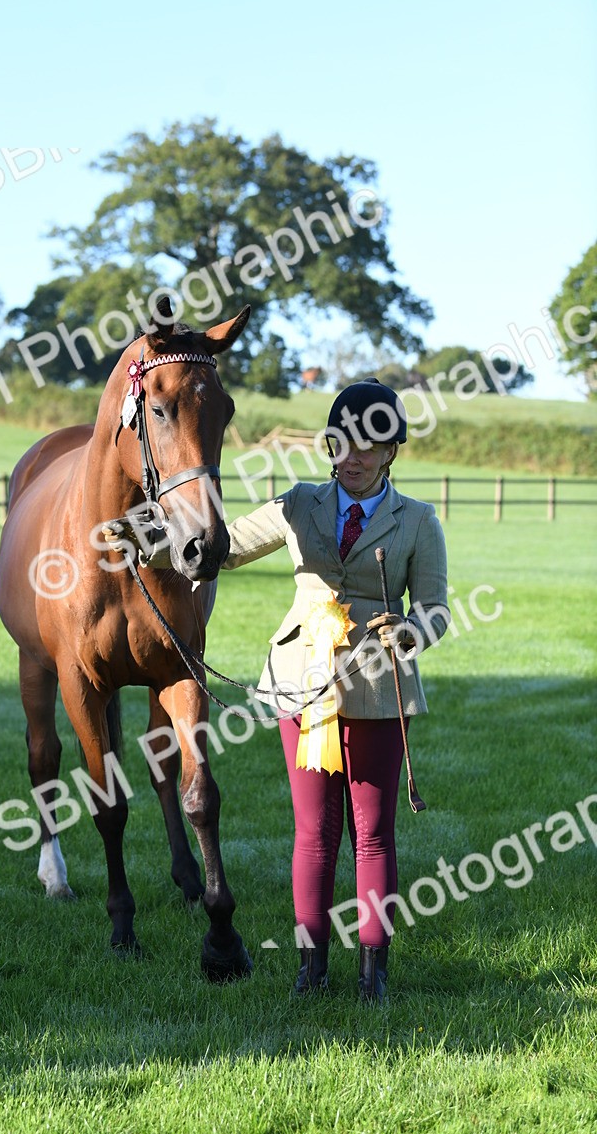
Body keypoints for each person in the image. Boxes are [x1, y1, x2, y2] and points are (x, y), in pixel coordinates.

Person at [108, 378, 450, 1002]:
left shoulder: (419, 522)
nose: (353, 457)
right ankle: (311, 967)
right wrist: (139, 540)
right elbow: (224, 548)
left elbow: (435, 611)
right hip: (302, 687)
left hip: (376, 688)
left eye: (369, 447)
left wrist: (408, 630)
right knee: (313, 831)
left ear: (392, 451)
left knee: (372, 832)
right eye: (341, 443)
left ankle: (374, 969)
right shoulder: (298, 504)